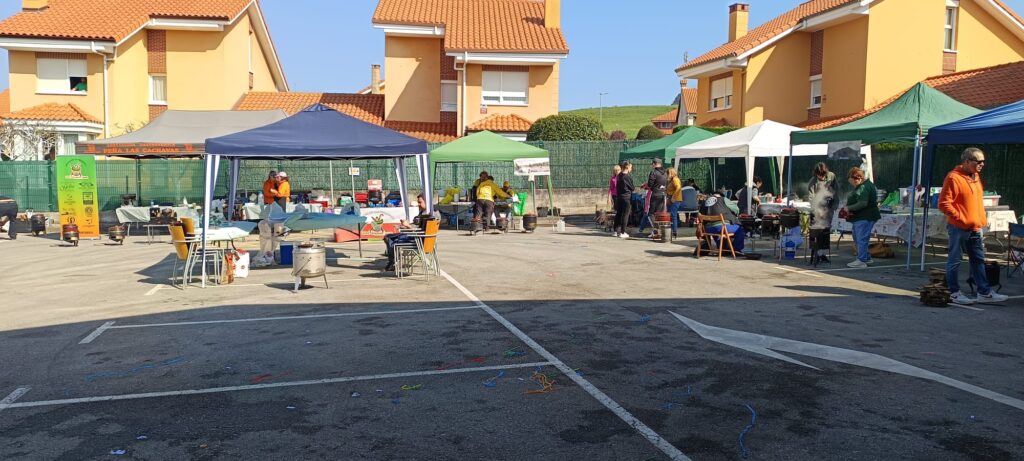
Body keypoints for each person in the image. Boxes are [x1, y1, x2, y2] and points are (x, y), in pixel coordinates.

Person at [939, 148, 1008, 304]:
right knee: (955, 260)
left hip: (975, 228)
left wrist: (979, 220)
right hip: (958, 227)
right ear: (967, 161)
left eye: (983, 161)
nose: (982, 164)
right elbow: (943, 204)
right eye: (979, 161)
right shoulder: (953, 177)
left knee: (978, 260)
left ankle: (984, 292)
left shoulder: (976, 177)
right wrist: (961, 218)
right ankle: (954, 292)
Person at [841, 167, 880, 268]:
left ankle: (861, 260)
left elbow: (862, 203)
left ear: (857, 178)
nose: (853, 184)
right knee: (859, 237)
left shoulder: (864, 187)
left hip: (865, 217)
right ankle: (866, 257)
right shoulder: (866, 185)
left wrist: (848, 208)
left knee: (861, 239)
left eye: (852, 182)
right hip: (863, 217)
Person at [383, 194, 430, 272]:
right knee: (388, 237)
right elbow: (418, 227)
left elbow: (420, 231)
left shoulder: (428, 215)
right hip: (415, 237)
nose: (418, 204)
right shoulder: (424, 213)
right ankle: (393, 260)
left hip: (417, 239)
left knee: (390, 239)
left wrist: (408, 226)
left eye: (420, 202)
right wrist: (404, 226)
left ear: (427, 202)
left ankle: (393, 261)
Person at [807, 163, 839, 265]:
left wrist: (834, 205)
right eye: (819, 175)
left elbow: (836, 191)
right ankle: (818, 254)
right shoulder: (812, 182)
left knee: (825, 231)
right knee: (817, 231)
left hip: (829, 208)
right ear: (815, 174)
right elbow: (811, 198)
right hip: (817, 209)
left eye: (823, 175)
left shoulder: (832, 176)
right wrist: (816, 210)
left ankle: (822, 253)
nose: (821, 177)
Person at [638, 159, 668, 237]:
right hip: (662, 194)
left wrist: (646, 185)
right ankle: (659, 232)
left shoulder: (653, 172)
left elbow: (650, 185)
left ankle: (656, 231)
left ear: (654, 164)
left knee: (650, 214)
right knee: (659, 214)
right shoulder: (665, 173)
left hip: (654, 194)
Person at [614, 161, 635, 239]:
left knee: (618, 213)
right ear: (627, 167)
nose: (631, 169)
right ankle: (623, 232)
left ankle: (615, 231)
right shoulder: (627, 177)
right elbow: (632, 188)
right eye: (631, 167)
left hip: (619, 197)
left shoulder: (619, 175)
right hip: (626, 198)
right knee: (625, 214)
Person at [665, 167, 683, 238]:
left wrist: (673, 197)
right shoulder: (671, 180)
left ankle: (674, 231)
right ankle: (671, 231)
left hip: (675, 200)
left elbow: (678, 188)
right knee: (670, 215)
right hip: (671, 200)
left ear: (671, 173)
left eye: (668, 173)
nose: (667, 175)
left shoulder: (675, 179)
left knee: (673, 215)